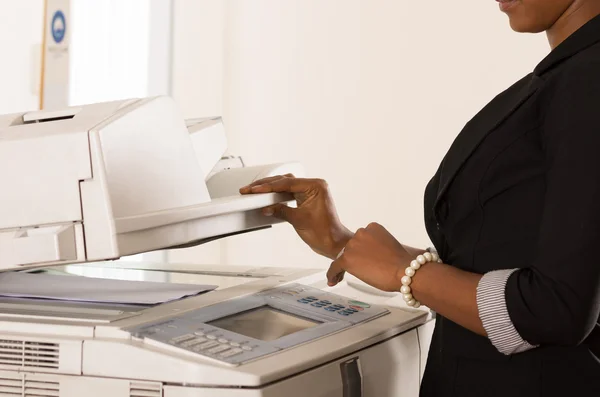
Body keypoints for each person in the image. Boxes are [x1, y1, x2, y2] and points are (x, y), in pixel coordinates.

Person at [240, 0, 600, 396]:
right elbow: (523, 255)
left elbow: (555, 310)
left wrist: (407, 271)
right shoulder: (567, 74)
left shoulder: (587, 79)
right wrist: (344, 243)